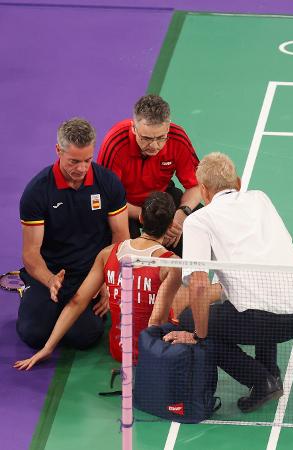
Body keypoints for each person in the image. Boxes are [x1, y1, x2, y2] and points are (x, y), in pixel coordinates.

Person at [163, 152, 293, 413]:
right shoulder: (260, 198)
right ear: (238, 181)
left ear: (203, 190)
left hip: (271, 320)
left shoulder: (198, 221)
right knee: (256, 296)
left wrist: (197, 336)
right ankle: (269, 368)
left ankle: (261, 381)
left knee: (195, 320)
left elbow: (199, 286)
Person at [14, 192, 183, 370]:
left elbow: (77, 301)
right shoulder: (171, 263)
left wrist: (48, 348)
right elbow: (159, 320)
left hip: (119, 351)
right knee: (195, 297)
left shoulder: (108, 253)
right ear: (171, 224)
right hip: (151, 353)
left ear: (140, 218)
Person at [17, 118, 129, 351]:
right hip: (50, 272)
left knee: (85, 336)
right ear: (58, 150)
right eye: (74, 161)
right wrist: (50, 280)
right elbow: (30, 253)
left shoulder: (108, 183)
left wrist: (109, 282)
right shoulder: (37, 191)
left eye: (87, 160)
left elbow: (121, 238)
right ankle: (32, 294)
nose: (81, 168)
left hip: (91, 275)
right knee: (32, 334)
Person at [97, 94, 202, 256]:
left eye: (161, 138)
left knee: (199, 223)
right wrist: (149, 218)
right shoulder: (115, 143)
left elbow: (196, 186)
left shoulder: (177, 138)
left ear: (168, 127)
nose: (154, 146)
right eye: (146, 138)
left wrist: (179, 217)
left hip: (159, 196)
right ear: (133, 128)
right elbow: (106, 198)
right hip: (124, 205)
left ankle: (187, 274)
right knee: (125, 251)